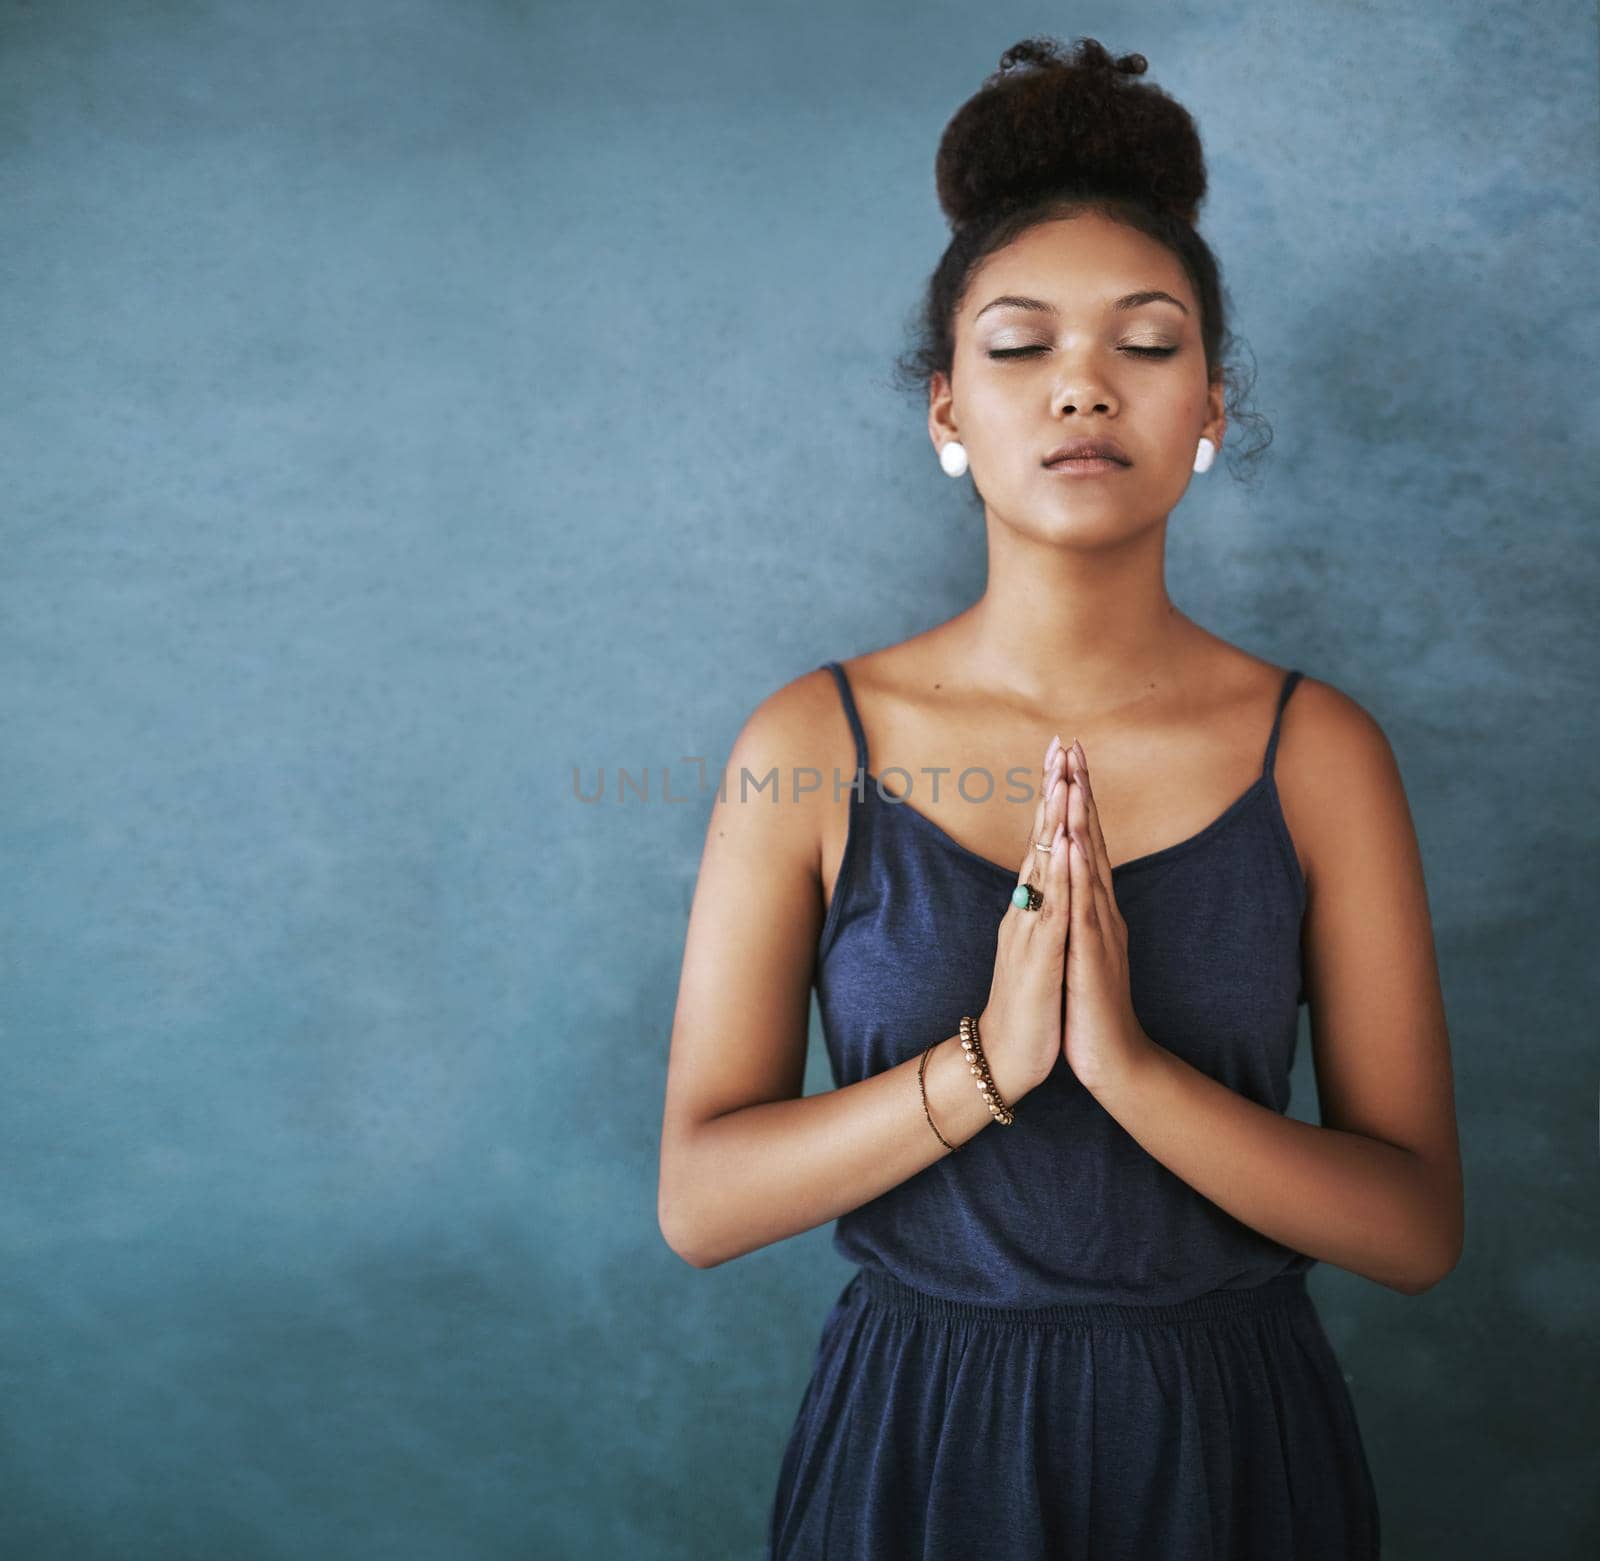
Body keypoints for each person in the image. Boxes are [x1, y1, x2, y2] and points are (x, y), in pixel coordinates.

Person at [657, 34, 1462, 1559]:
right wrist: (986, 1063)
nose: (1085, 384)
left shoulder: (1323, 752)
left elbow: (1415, 1227)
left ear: (1210, 409)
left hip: (1235, 1446)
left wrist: (1130, 1068)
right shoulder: (811, 740)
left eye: (1146, 345)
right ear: (948, 410)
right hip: (919, 1436)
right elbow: (700, 1199)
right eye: (1021, 346)